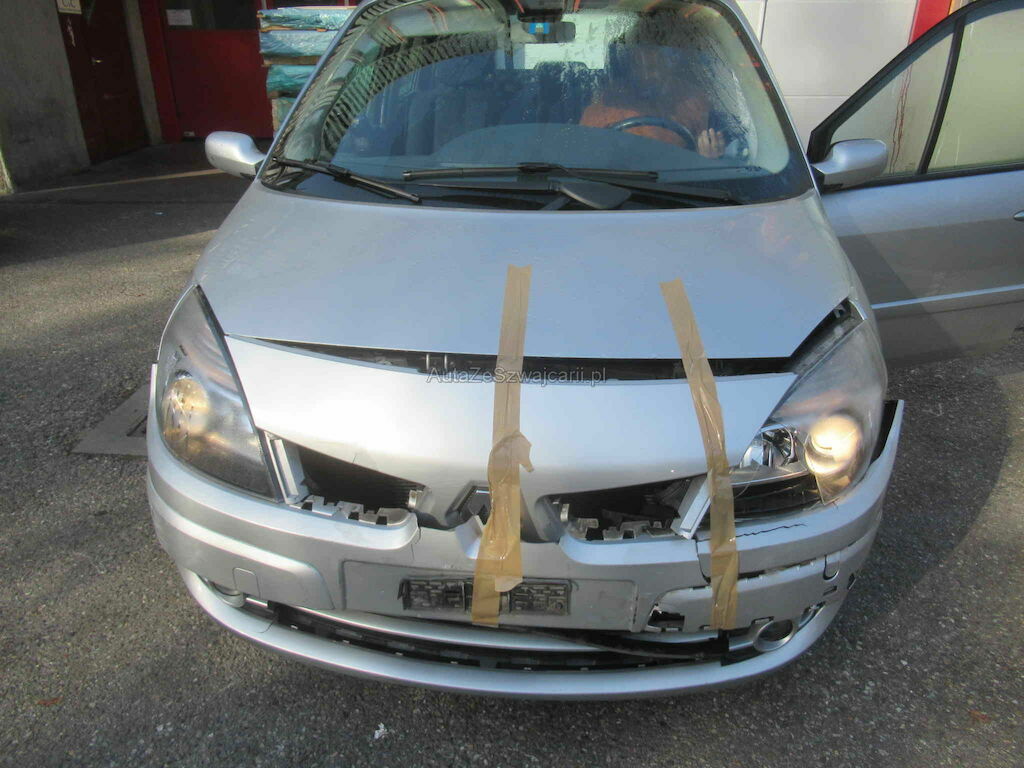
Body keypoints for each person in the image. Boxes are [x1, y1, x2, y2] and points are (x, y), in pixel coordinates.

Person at [580, 43, 729, 158]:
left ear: (672, 62)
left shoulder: (693, 99)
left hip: (679, 181)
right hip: (617, 179)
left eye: (654, 66)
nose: (647, 75)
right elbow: (586, 151)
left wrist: (708, 156)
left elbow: (707, 147)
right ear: (629, 64)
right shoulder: (610, 100)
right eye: (640, 65)